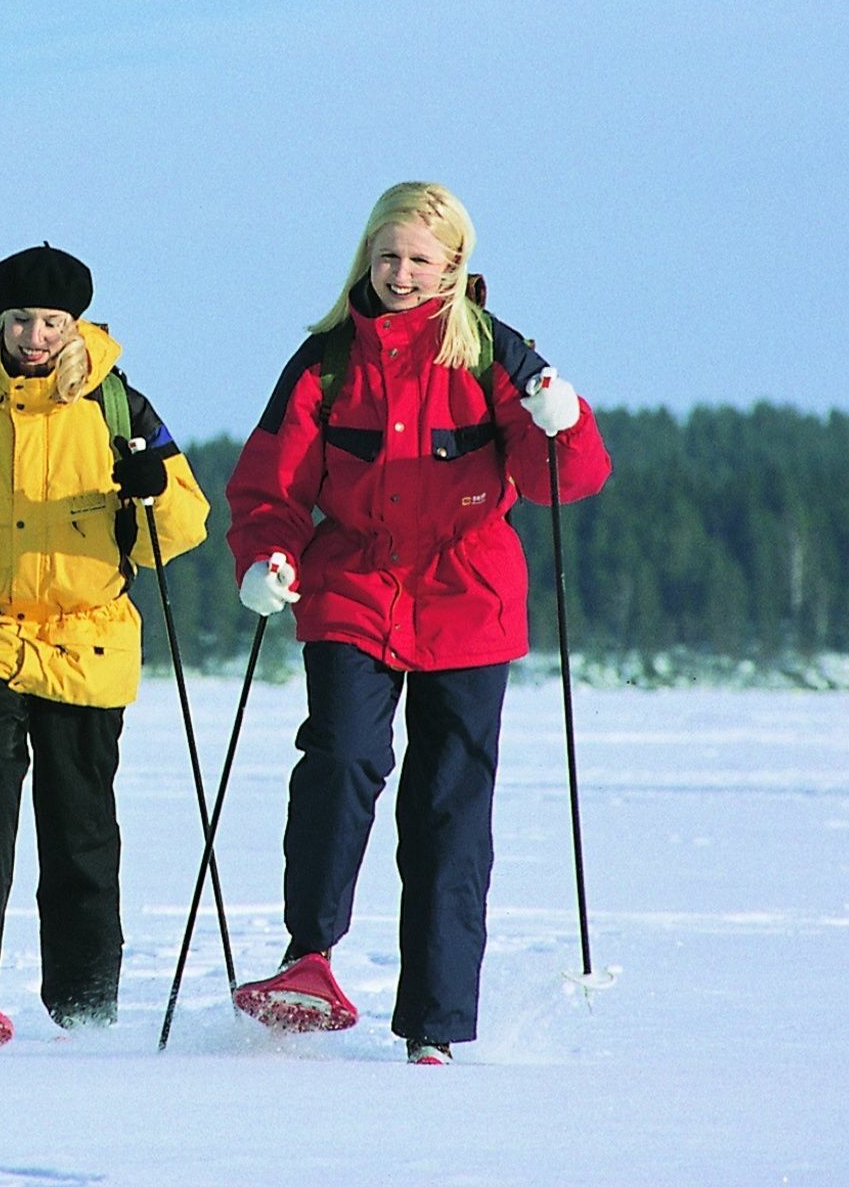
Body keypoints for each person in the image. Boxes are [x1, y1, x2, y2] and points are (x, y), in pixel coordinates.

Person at [222, 182, 611, 1065]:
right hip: (353, 583)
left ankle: (433, 1024)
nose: (401, 274)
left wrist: (565, 420)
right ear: (368, 255)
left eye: (420, 260)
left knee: (448, 808)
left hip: (468, 593)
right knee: (341, 757)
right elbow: (270, 487)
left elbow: (564, 480)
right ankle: (309, 960)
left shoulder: (497, 358)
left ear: (454, 267)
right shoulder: (324, 362)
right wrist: (263, 558)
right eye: (388, 256)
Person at [0, 243, 210, 1044]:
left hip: (88, 640)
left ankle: (87, 1011)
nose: (36, 336)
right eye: (21, 319)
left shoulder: (118, 406)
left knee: (79, 821)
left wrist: (152, 494)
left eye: (53, 321)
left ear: (75, 324)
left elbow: (182, 528)